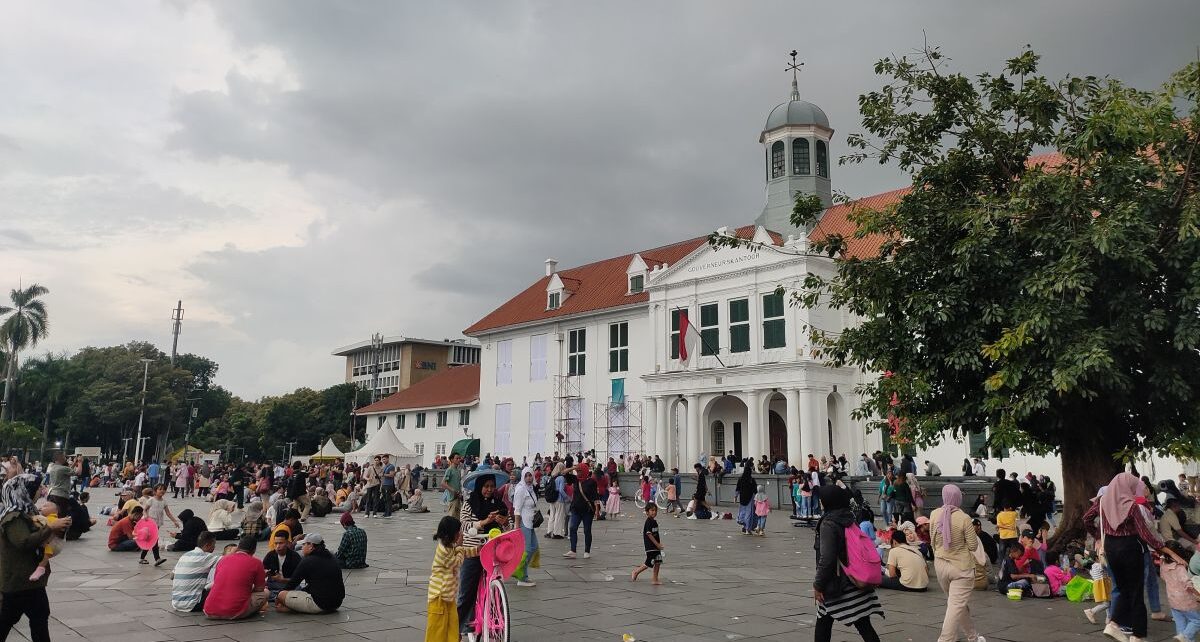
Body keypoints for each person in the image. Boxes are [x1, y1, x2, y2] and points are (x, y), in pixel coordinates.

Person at [1084, 471, 1173, 642]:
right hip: (1130, 548)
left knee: (1123, 588)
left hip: (1110, 547)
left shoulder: (1102, 501)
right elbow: (1145, 533)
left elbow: (1086, 519)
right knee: (1136, 592)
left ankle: (1114, 624)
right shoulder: (1131, 506)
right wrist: (1163, 549)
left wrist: (1097, 536)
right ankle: (1137, 635)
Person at [0, 474, 71, 642]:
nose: (41, 491)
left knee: (39, 617)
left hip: (29, 580)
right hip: (18, 581)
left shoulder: (27, 511)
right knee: (7, 620)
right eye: (38, 488)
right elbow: (22, 541)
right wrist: (51, 527)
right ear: (26, 491)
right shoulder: (13, 516)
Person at [813, 485, 882, 642]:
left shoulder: (828, 523)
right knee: (863, 623)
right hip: (854, 578)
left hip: (838, 583)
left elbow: (827, 558)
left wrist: (818, 585)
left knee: (824, 622)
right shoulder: (849, 517)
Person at [929, 484, 984, 642]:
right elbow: (973, 545)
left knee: (957, 605)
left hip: (940, 565)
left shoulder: (934, 514)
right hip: (962, 568)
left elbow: (931, 540)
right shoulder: (963, 517)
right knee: (955, 606)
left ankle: (972, 637)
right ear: (958, 498)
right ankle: (945, 639)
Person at [458, 475, 509, 636]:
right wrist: (484, 522)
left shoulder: (500, 505)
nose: (489, 489)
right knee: (467, 592)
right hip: (473, 551)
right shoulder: (468, 504)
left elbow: (508, 530)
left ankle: (497, 621)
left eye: (492, 486)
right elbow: (465, 525)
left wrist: (504, 522)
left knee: (496, 587)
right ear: (479, 487)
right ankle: (459, 627)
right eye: (486, 486)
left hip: (493, 551)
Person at [425, 516, 480, 642]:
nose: (460, 534)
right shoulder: (443, 551)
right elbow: (457, 562)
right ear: (450, 535)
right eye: (458, 532)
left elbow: (463, 552)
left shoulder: (450, 546)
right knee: (437, 633)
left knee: (453, 628)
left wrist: (477, 550)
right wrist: (460, 546)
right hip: (438, 599)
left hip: (448, 598)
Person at [276, 533, 345, 614]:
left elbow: (292, 583)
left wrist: (278, 597)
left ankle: (292, 608)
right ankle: (294, 607)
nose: (302, 547)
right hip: (337, 603)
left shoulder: (308, 561)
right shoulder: (332, 556)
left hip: (320, 604)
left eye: (304, 544)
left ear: (311, 546)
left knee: (282, 595)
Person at [204, 535, 268, 620]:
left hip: (209, 610)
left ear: (238, 547)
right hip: (234, 612)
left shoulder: (223, 560)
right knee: (265, 593)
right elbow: (259, 589)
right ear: (254, 550)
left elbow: (217, 582)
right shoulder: (257, 562)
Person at [1158, 541, 1199, 642]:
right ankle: (1185, 636)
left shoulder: (1162, 563)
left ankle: (1182, 637)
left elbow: (1163, 577)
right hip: (1186, 601)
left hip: (1172, 600)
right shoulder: (1179, 568)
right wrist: (1198, 594)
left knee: (1180, 624)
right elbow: (1188, 584)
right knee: (1197, 620)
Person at [170, 531, 219, 612]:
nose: (214, 548)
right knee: (219, 587)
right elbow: (227, 561)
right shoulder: (207, 557)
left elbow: (171, 576)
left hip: (176, 603)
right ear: (207, 545)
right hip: (193, 604)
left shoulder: (185, 556)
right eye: (214, 545)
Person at [511, 467, 540, 587]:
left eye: (530, 475)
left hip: (530, 522)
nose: (529, 478)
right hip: (523, 523)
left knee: (533, 547)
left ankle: (522, 574)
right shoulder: (521, 490)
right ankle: (521, 577)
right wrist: (517, 527)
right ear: (523, 476)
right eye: (526, 475)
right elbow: (517, 510)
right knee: (527, 549)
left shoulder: (531, 488)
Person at [566, 468, 598, 558]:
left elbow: (595, 496)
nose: (578, 473)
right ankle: (573, 550)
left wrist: (597, 510)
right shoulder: (575, 479)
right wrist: (573, 467)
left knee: (587, 530)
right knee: (572, 528)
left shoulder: (591, 482)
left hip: (587, 510)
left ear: (584, 471)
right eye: (577, 471)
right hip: (576, 509)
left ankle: (587, 551)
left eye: (580, 471)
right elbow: (563, 472)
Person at [630, 503, 664, 585]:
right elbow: (649, 534)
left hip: (655, 547)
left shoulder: (654, 521)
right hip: (651, 547)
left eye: (655, 510)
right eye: (652, 510)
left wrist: (658, 544)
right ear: (647, 512)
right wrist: (657, 544)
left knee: (658, 562)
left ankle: (655, 579)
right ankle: (636, 572)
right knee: (649, 562)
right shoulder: (649, 522)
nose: (654, 512)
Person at [263, 531, 301, 600]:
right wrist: (265, 573)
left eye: (281, 543)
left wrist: (282, 580)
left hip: (289, 584)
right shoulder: (270, 555)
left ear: (287, 543)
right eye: (276, 543)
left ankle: (278, 596)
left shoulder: (295, 557)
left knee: (298, 589)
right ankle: (282, 596)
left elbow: (298, 579)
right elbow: (263, 570)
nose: (278, 546)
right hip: (273, 584)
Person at [545, 462, 567, 539]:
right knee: (559, 516)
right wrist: (566, 497)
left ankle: (549, 531)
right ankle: (557, 533)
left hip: (552, 499)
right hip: (559, 499)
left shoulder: (552, 477)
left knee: (552, 516)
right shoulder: (561, 478)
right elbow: (561, 490)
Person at [441, 453, 464, 517]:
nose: (459, 460)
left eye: (459, 458)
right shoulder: (449, 470)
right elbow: (443, 483)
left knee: (457, 517)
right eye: (457, 458)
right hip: (452, 497)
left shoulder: (458, 470)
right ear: (452, 460)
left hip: (458, 496)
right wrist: (452, 490)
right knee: (452, 516)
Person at [736, 463, 756, 534]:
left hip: (742, 498)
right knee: (749, 513)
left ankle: (744, 526)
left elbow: (737, 489)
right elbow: (755, 490)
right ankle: (748, 529)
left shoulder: (740, 479)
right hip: (750, 498)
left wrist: (735, 497)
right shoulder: (751, 480)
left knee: (742, 512)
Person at [379, 454, 396, 519]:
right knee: (385, 499)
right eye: (382, 459)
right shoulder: (385, 466)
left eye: (384, 459)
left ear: (388, 459)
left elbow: (392, 475)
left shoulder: (391, 466)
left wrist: (383, 474)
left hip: (388, 485)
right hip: (384, 484)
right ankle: (386, 512)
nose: (383, 461)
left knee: (388, 499)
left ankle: (389, 513)